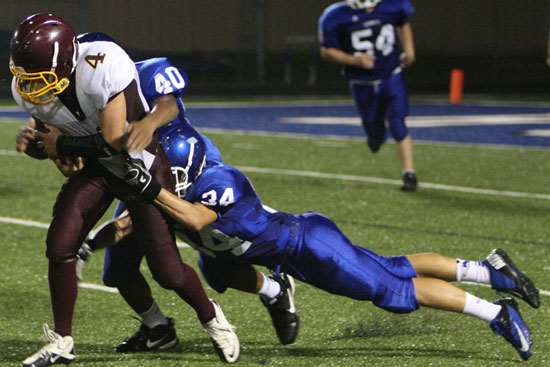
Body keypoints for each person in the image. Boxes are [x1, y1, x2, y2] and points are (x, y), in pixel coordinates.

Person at [101, 130, 538, 361]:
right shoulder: (174, 188)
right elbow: (127, 225)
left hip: (306, 247)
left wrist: (148, 190)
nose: (156, 176)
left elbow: (193, 216)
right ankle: (490, 270)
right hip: (281, 248)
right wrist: (88, 243)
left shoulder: (216, 182)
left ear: (181, 169)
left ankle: (497, 313)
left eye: (162, 171)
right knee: (389, 266)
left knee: (394, 290)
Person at [10, 14, 238, 366]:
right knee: (60, 243)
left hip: (139, 165)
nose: (26, 86)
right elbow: (63, 156)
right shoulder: (32, 86)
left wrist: (62, 146)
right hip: (98, 168)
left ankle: (211, 318)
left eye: (36, 76)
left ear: (65, 63)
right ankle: (62, 341)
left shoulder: (101, 62)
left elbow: (115, 142)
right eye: (24, 75)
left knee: (168, 271)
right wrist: (40, 146)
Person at [76, 56, 299, 350]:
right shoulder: (78, 93)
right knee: (118, 269)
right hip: (143, 170)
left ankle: (274, 289)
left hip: (187, 172)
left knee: (218, 263)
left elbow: (168, 104)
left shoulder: (137, 73)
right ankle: (158, 329)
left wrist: (149, 123)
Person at [319, 0, 418, 191]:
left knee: (397, 121)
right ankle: (376, 137)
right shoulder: (335, 15)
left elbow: (403, 23)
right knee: (374, 131)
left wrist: (409, 50)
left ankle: (409, 173)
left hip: (390, 74)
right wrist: (354, 60)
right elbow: (326, 50)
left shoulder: (393, 5)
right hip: (361, 81)